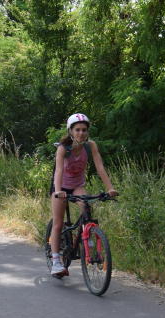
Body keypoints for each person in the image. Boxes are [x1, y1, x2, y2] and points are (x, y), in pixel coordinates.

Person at [50, 113, 118, 278]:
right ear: (71, 131)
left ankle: (86, 240)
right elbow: (58, 171)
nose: (81, 133)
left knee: (87, 209)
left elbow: (100, 168)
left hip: (77, 186)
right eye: (78, 130)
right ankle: (56, 261)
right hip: (60, 186)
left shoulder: (91, 145)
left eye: (84, 130)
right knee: (58, 223)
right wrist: (58, 191)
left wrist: (110, 188)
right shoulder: (63, 148)